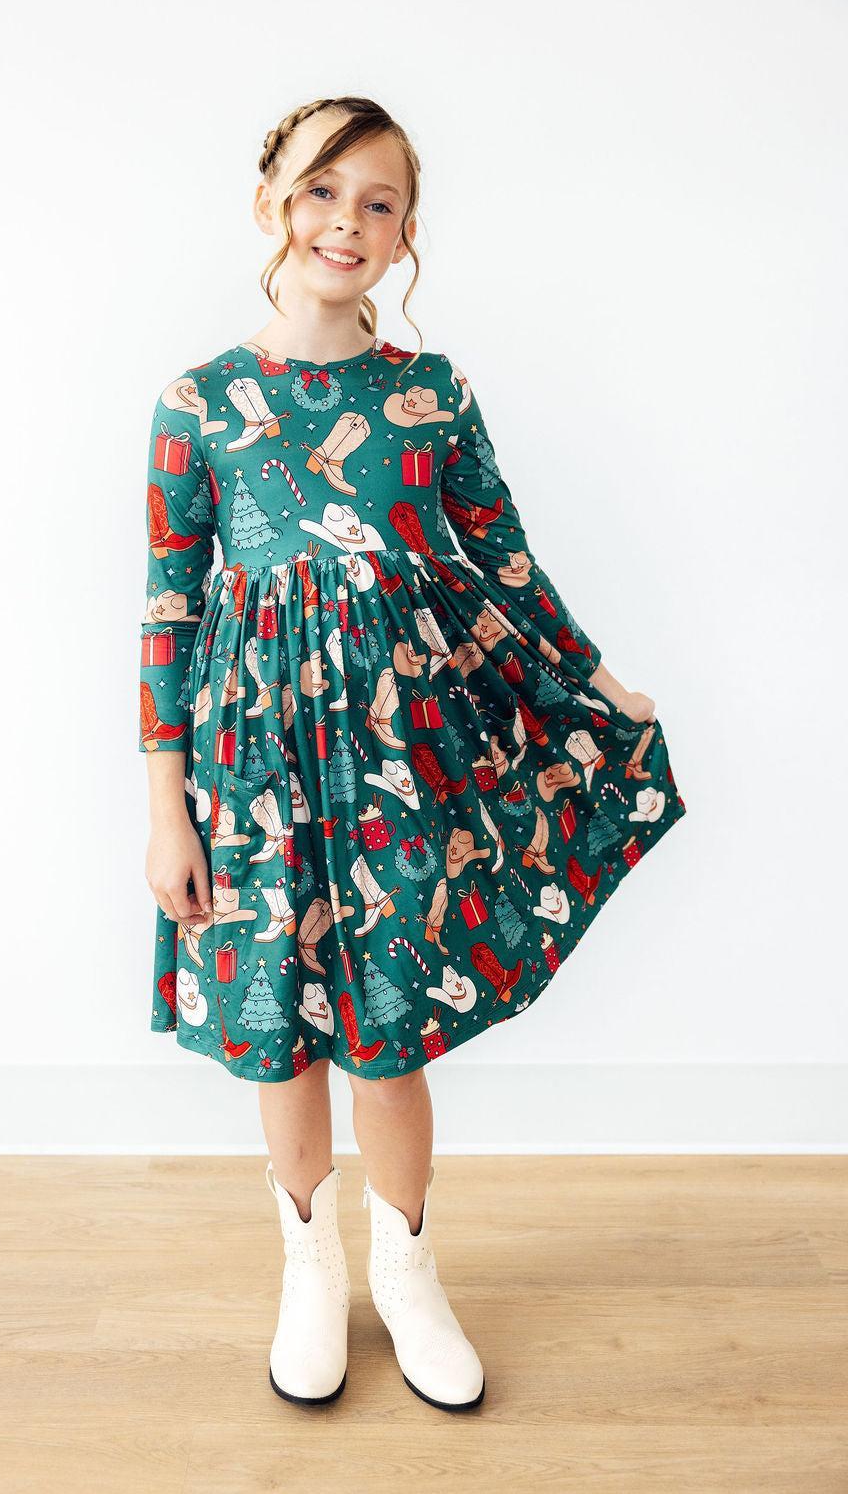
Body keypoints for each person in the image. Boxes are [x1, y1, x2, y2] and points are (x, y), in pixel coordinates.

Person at [139, 96, 686, 1411]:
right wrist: (168, 811)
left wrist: (596, 684)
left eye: (377, 202)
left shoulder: (429, 396)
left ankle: (408, 1270)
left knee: (389, 1035)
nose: (348, 221)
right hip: (251, 766)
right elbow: (168, 611)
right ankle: (309, 1271)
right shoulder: (197, 404)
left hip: (400, 753)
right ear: (273, 201)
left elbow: (504, 563)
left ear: (405, 234)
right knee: (280, 1033)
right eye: (324, 190)